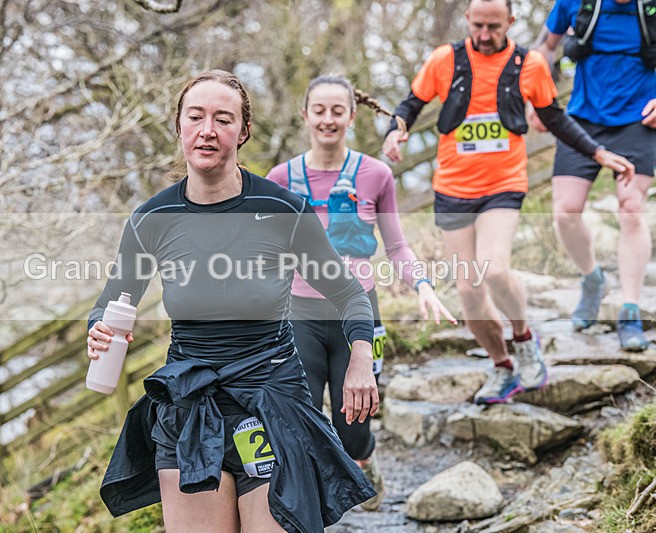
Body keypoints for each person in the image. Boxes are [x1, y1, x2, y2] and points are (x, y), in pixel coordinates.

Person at [86, 70, 379, 533]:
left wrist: (361, 356)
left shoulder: (284, 210)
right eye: (195, 116)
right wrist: (99, 328)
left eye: (222, 119)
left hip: (272, 402)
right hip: (190, 408)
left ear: (242, 132)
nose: (207, 130)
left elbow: (348, 293)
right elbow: (112, 301)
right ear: (178, 126)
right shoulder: (152, 220)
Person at [382, 0, 635, 404]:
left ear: (510, 23)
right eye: (478, 25)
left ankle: (523, 338)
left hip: (503, 184)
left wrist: (598, 153)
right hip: (452, 189)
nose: (484, 35)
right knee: (467, 289)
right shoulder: (444, 60)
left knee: (495, 270)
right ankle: (502, 367)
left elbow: (554, 118)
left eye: (494, 27)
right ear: (467, 20)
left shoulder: (529, 64)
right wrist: (395, 132)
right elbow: (409, 106)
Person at [265, 74, 457, 510]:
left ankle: (364, 459)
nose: (328, 120)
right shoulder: (280, 178)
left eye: (337, 111)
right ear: (305, 115)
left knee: (352, 425)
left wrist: (422, 285)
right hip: (299, 315)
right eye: (319, 110)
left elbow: (396, 246)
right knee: (300, 418)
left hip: (360, 316)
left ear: (351, 116)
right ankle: (306, 505)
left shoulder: (376, 175)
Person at [528, 0, 656, 352]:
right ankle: (592, 280)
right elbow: (545, 48)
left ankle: (630, 310)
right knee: (565, 212)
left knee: (631, 208)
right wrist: (537, 98)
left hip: (639, 119)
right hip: (582, 117)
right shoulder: (574, 3)